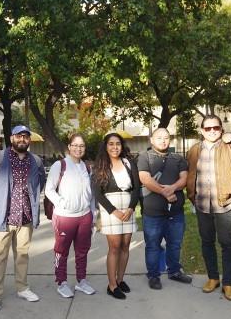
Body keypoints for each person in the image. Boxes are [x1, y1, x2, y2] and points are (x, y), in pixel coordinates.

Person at [0, 125, 46, 312]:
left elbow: (41, 182)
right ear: (11, 137)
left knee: (22, 256)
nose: (22, 139)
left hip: (25, 217)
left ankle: (22, 288)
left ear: (29, 140)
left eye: (25, 137)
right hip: (2, 218)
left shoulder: (36, 161)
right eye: (18, 136)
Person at [187, 115, 231, 301]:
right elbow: (190, 173)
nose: (212, 131)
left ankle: (228, 283)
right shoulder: (194, 150)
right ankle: (212, 278)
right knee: (207, 242)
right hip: (202, 205)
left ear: (221, 129)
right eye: (208, 128)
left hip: (224, 205)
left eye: (216, 128)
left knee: (227, 244)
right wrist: (192, 197)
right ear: (202, 130)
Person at [137, 128, 191, 290]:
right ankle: (153, 275)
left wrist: (172, 188)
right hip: (153, 214)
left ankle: (174, 271)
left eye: (166, 137)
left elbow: (184, 178)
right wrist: (165, 193)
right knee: (153, 245)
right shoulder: (144, 157)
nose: (163, 140)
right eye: (159, 137)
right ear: (151, 140)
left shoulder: (178, 158)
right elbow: (145, 179)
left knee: (175, 244)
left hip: (175, 213)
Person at [44, 133, 97, 298]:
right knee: (61, 251)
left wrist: (93, 215)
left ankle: (82, 281)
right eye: (75, 145)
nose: (78, 148)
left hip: (85, 216)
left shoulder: (87, 167)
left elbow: (92, 195)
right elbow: (49, 189)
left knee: (82, 251)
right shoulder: (60, 165)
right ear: (69, 147)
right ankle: (62, 282)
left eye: (81, 146)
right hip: (65, 217)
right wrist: (62, 204)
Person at [92, 133, 139, 299]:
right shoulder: (100, 166)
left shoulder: (129, 162)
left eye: (117, 144)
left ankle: (119, 280)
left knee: (126, 245)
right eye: (111, 144)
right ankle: (111, 286)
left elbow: (137, 188)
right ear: (106, 146)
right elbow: (97, 193)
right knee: (114, 247)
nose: (114, 147)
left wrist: (131, 208)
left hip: (128, 207)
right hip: (110, 208)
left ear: (122, 145)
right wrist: (114, 211)